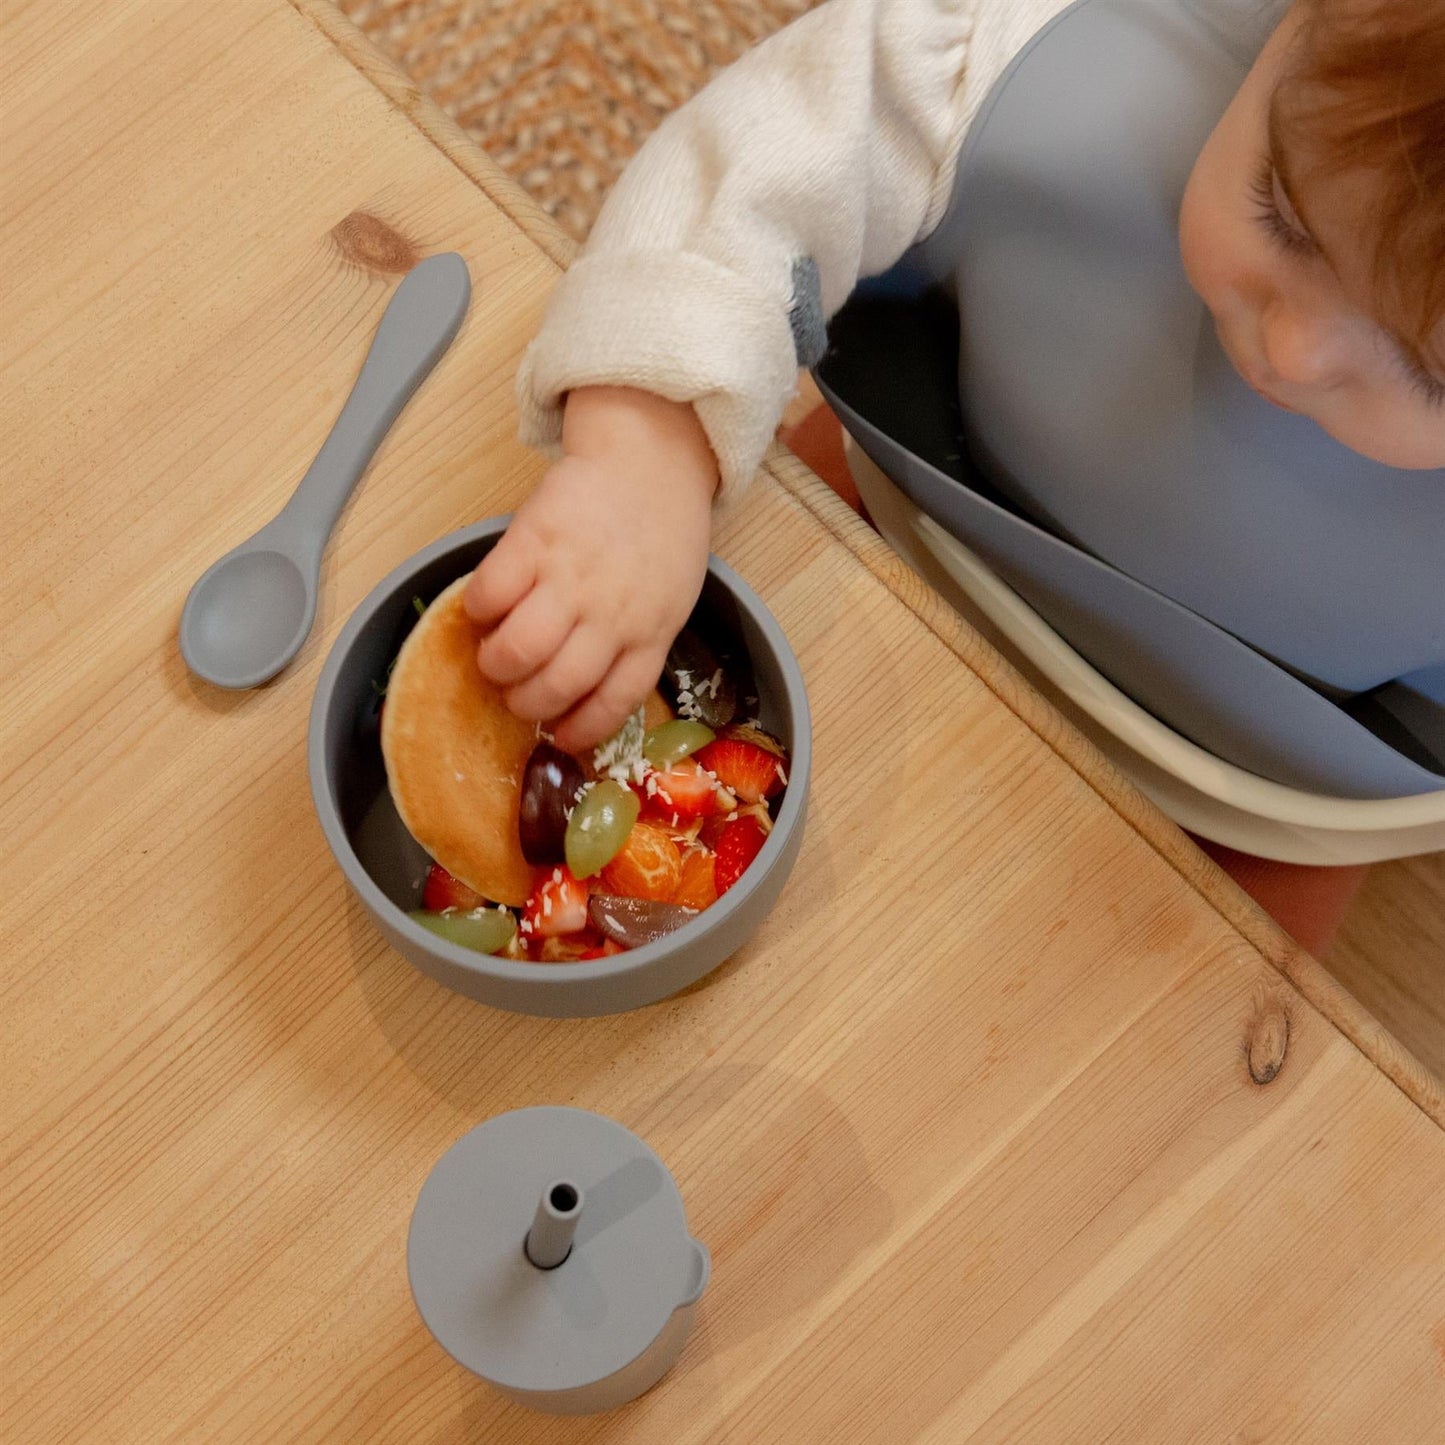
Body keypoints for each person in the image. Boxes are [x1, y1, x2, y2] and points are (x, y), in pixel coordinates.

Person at [462, 0, 1445, 765]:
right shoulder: (1022, 52)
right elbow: (775, 165)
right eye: (1279, 211)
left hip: (1257, 772)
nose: (1290, 346)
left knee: (1235, 1009)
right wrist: (643, 455)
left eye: (1424, 368)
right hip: (925, 494)